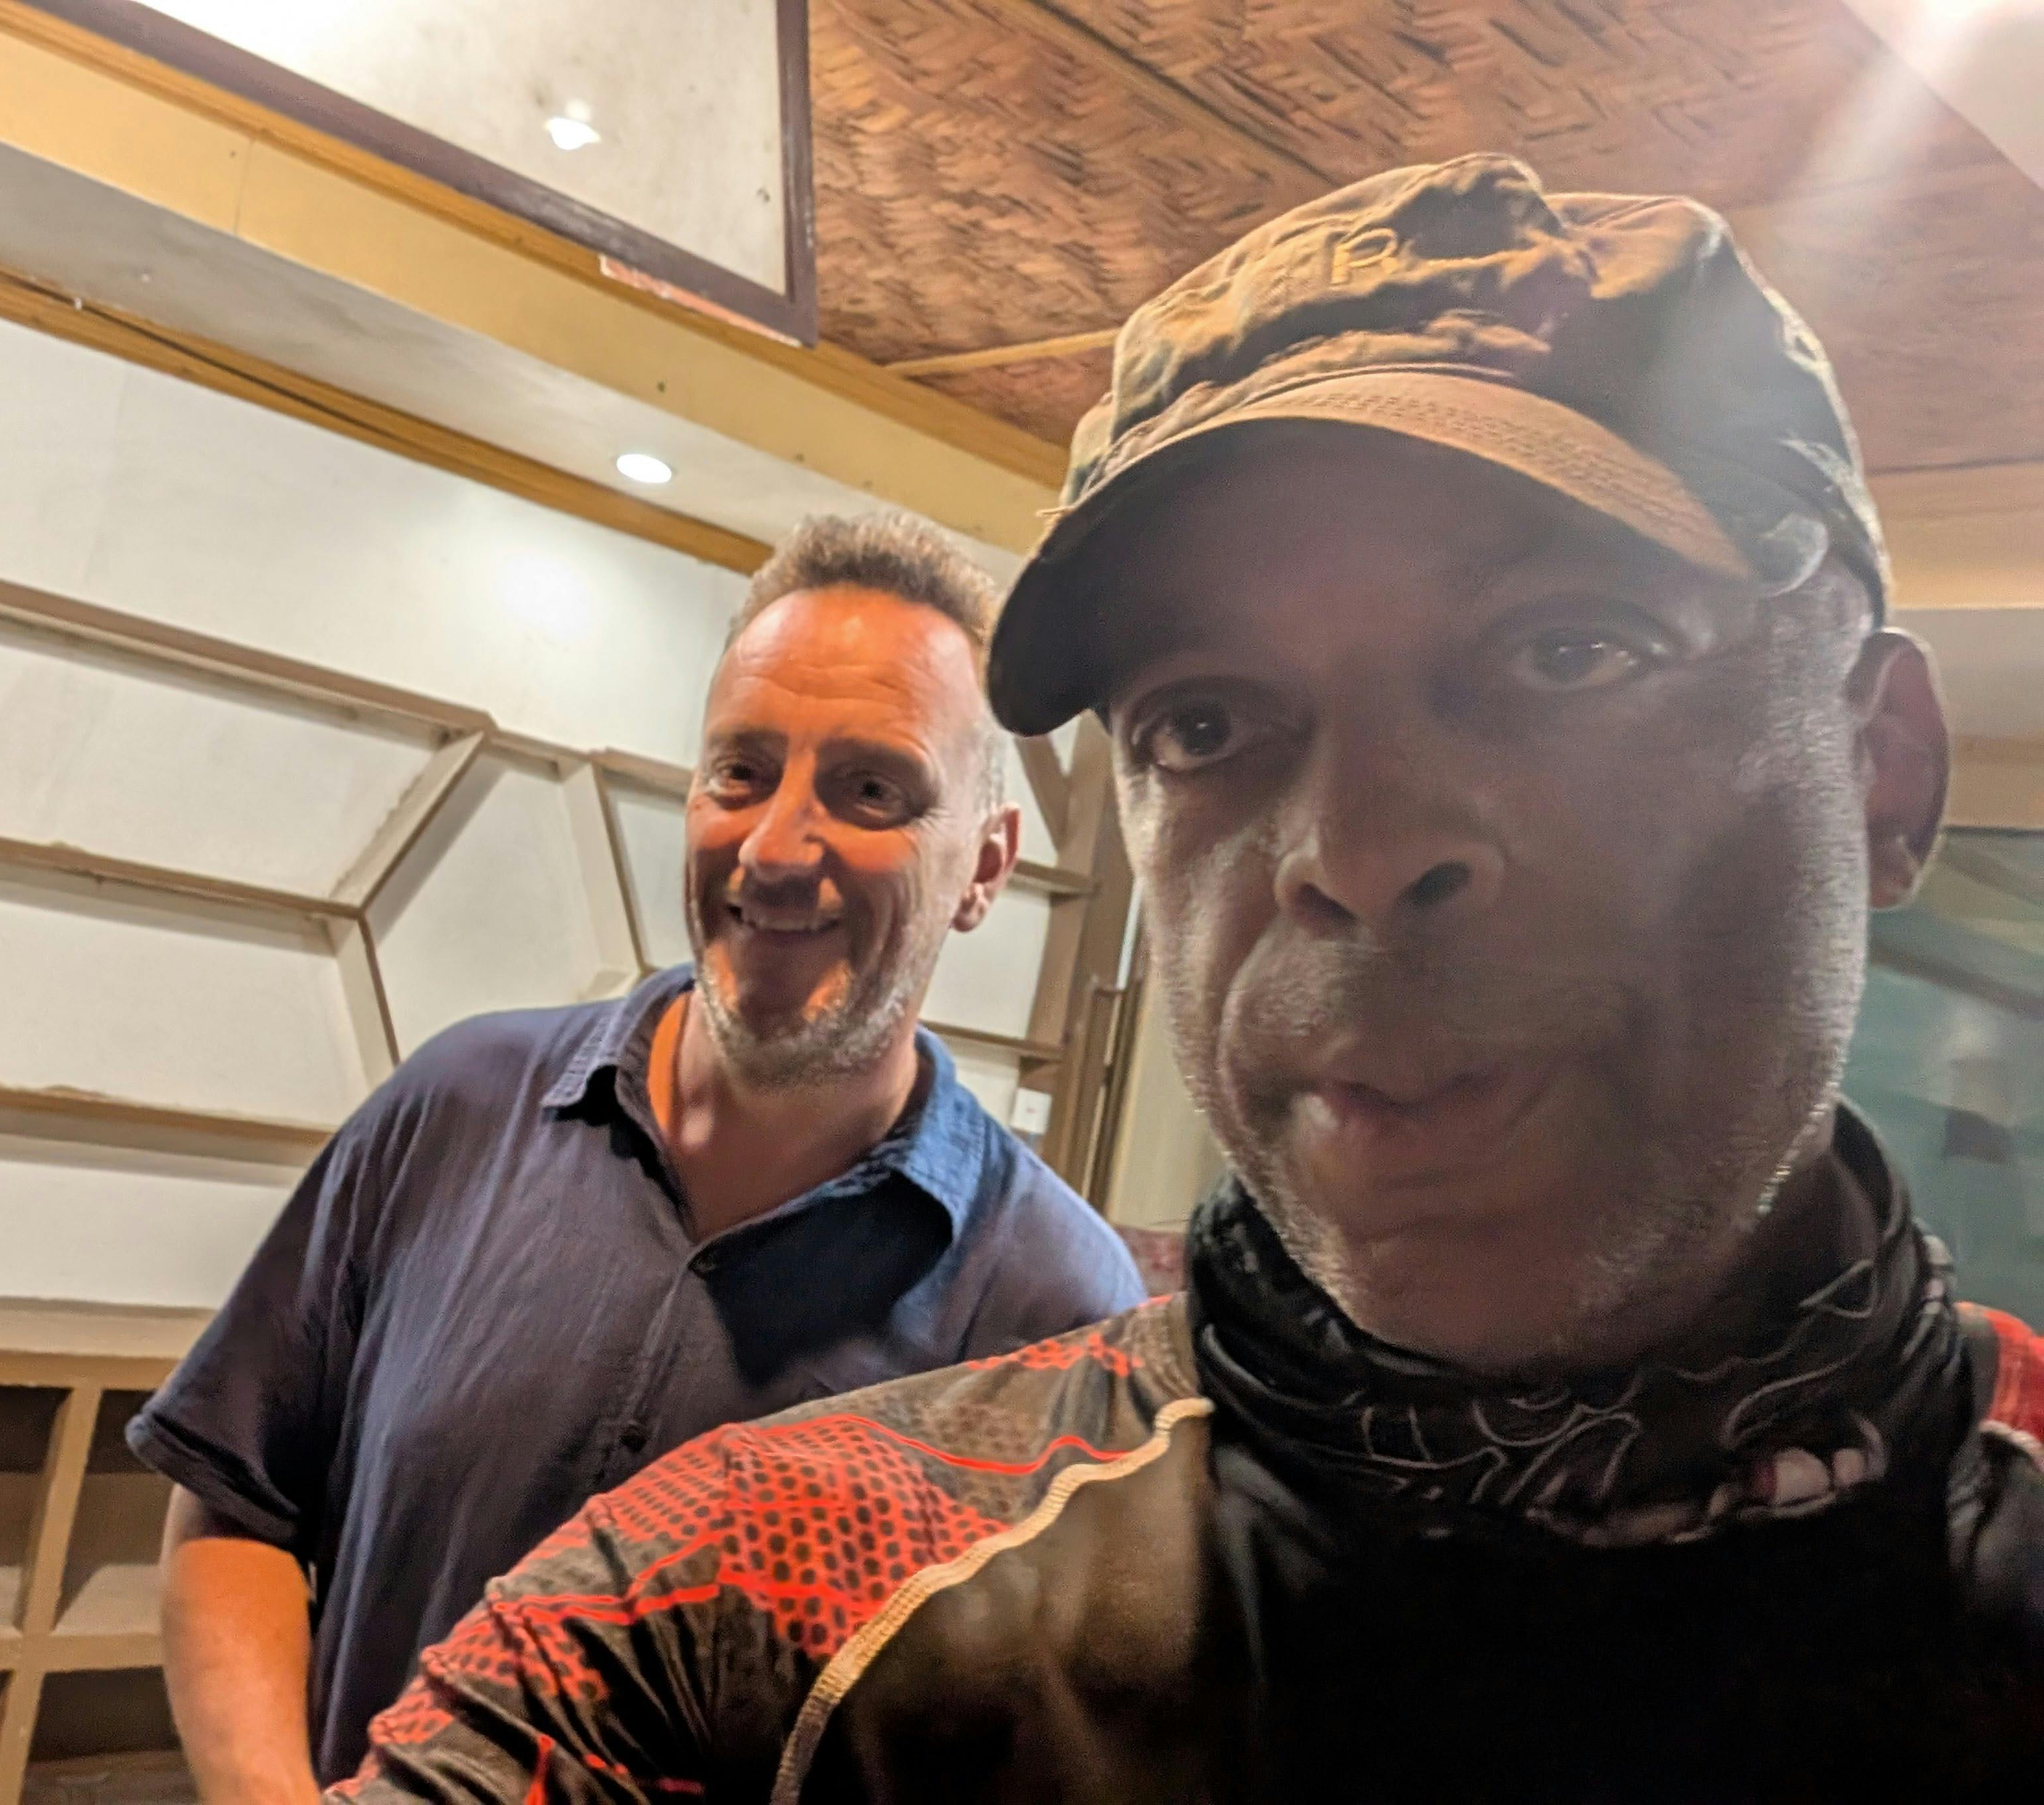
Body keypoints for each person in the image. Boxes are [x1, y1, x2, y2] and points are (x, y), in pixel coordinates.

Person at [334, 157, 2044, 1802]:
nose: (1353, 849)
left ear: (1881, 772)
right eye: (1207, 723)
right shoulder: (760, 1619)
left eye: (1567, 649)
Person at [131, 511, 1145, 1792]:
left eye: (870, 791)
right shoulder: (453, 1108)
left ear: (984, 868)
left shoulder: (1061, 1314)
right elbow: (238, 1506)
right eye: (742, 772)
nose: (775, 849)